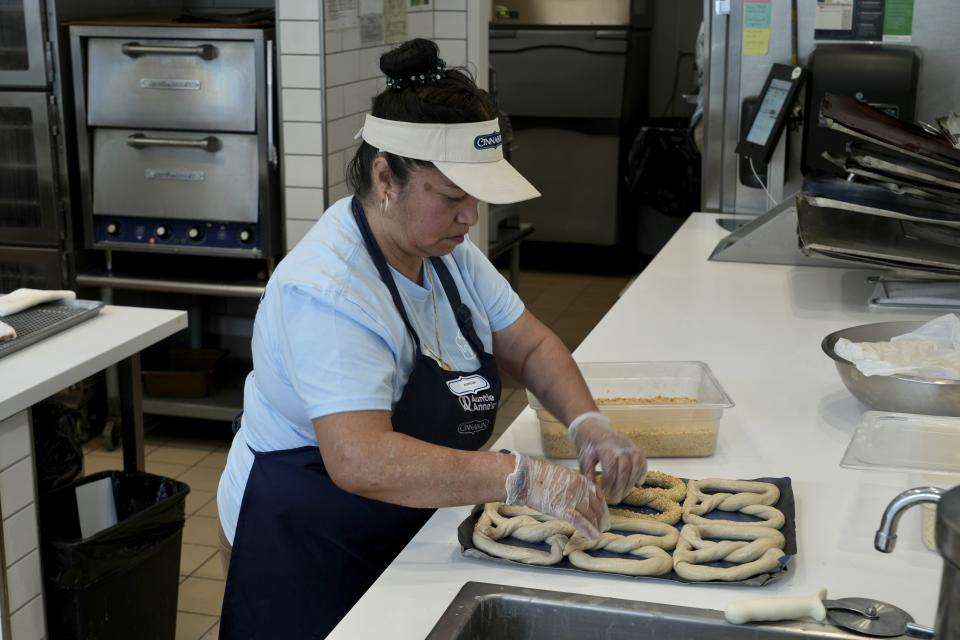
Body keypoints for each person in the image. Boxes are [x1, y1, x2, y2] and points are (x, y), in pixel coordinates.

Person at [216, 38, 647, 638]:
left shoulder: (446, 253)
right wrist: (517, 477)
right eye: (452, 197)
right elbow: (360, 457)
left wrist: (586, 422)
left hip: (399, 514)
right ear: (386, 177)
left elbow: (528, 345)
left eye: (476, 197)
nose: (471, 217)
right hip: (304, 535)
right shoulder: (330, 292)